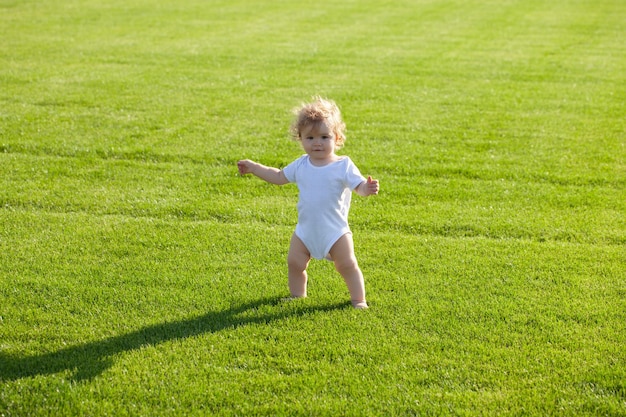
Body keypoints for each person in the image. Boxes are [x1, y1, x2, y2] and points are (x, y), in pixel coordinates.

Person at [237, 97, 379, 309]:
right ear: (300, 139)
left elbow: (358, 186)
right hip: (305, 231)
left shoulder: (343, 165)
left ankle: (359, 300)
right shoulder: (301, 164)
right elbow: (278, 176)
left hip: (335, 232)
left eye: (324, 136)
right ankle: (297, 295)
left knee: (347, 265)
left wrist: (366, 189)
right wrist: (254, 167)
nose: (317, 143)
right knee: (294, 263)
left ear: (337, 138)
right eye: (310, 138)